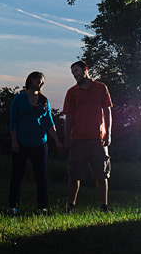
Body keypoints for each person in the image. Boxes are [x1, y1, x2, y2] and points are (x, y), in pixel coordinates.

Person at [9, 71, 62, 214]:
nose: (41, 82)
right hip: (21, 141)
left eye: (43, 80)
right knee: (17, 174)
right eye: (39, 79)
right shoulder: (19, 99)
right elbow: (13, 121)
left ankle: (42, 206)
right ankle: (13, 205)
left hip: (40, 142)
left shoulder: (44, 100)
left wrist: (57, 140)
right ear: (31, 80)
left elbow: (49, 122)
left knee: (41, 175)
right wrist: (14, 141)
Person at [63, 60, 113, 213]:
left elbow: (108, 112)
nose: (74, 75)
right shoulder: (72, 92)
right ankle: (71, 206)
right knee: (74, 175)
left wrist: (109, 133)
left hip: (98, 139)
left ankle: (104, 206)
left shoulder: (101, 88)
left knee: (102, 174)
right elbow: (69, 117)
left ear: (85, 70)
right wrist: (67, 138)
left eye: (76, 71)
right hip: (78, 139)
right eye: (73, 73)